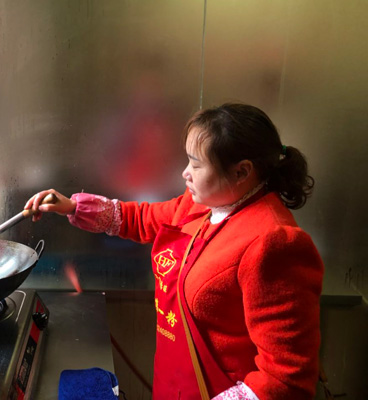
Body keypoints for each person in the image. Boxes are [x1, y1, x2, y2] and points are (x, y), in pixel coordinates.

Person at [25, 103, 324, 400]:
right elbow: (141, 218)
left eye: (196, 165)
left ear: (241, 171)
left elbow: (286, 378)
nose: (185, 173)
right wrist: (72, 207)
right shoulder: (205, 203)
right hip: (175, 380)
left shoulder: (275, 243)